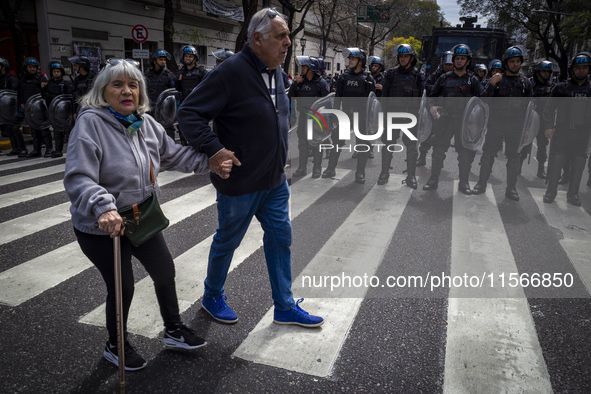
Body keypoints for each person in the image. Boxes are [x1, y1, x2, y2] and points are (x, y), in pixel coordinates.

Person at [63, 59, 231, 371]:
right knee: (123, 286)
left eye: (133, 84)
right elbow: (78, 178)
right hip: (103, 226)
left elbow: (173, 154)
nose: (127, 90)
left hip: (142, 217)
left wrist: (209, 160)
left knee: (164, 271)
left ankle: (174, 330)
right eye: (118, 84)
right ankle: (115, 346)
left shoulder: (146, 125)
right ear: (103, 91)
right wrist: (103, 207)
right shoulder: (90, 125)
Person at [177, 8, 324, 328]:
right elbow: (188, 114)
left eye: (288, 36)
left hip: (273, 180)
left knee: (280, 238)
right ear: (257, 39)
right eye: (281, 36)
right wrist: (214, 150)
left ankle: (284, 305)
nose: (288, 42)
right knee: (227, 240)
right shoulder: (230, 72)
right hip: (240, 181)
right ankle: (212, 295)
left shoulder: (276, 71)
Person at [472, 46, 533, 201]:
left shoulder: (526, 83)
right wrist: (492, 84)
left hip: (516, 126)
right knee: (488, 155)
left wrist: (527, 128)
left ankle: (511, 188)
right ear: (506, 63)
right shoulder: (497, 79)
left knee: (514, 158)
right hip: (496, 124)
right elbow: (484, 99)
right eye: (511, 61)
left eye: (517, 61)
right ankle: (481, 184)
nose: (515, 64)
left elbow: (531, 108)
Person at [423, 44, 481, 194]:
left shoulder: (473, 81)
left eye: (463, 58)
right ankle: (433, 179)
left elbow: (481, 102)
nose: (459, 61)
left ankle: (464, 183)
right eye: (457, 58)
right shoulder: (444, 78)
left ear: (468, 61)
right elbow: (431, 96)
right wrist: (431, 107)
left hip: (464, 123)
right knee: (438, 151)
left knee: (465, 154)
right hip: (445, 121)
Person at [542, 52, 591, 206]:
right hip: (563, 132)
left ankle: (573, 194)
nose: (581, 71)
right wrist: (549, 126)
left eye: (585, 67)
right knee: (556, 163)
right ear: (572, 70)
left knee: (578, 165)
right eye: (578, 68)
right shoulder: (561, 88)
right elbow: (548, 109)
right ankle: (551, 191)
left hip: (583, 133)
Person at [322, 47, 375, 182]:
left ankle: (360, 172)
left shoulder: (368, 79)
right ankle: (330, 168)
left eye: (353, 59)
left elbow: (373, 102)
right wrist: (335, 116)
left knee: (362, 144)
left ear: (361, 61)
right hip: (345, 114)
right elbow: (338, 98)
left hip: (362, 115)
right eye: (349, 59)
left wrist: (372, 120)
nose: (350, 61)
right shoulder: (343, 77)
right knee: (337, 142)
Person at [380, 44, 423, 187]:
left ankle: (411, 176)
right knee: (388, 144)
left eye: (406, 56)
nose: (403, 59)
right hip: (392, 115)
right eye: (401, 56)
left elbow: (423, 99)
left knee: (411, 147)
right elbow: (384, 97)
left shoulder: (418, 76)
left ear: (411, 58)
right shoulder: (391, 74)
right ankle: (384, 172)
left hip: (411, 117)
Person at [289, 56, 329, 178]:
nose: (301, 69)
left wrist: (329, 120)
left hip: (316, 119)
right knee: (302, 143)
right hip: (303, 117)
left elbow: (327, 102)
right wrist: (295, 85)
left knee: (316, 142)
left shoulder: (321, 83)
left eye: (304, 67)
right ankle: (302, 168)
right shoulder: (299, 83)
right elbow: (290, 98)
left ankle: (317, 168)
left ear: (311, 69)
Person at [417, 51, 454, 167]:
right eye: (446, 64)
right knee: (427, 134)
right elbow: (428, 90)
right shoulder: (435, 75)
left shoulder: (458, 76)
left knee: (443, 139)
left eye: (450, 64)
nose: (448, 67)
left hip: (448, 112)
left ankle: (439, 160)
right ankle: (422, 156)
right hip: (433, 110)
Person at [522, 60, 554, 179]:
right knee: (524, 144)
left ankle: (541, 170)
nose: (546, 73)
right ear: (538, 72)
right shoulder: (529, 83)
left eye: (548, 71)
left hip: (543, 120)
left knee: (542, 146)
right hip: (529, 119)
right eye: (543, 71)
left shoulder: (551, 86)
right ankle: (518, 166)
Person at [19, 57, 52, 157]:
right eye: (30, 67)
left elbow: (48, 92)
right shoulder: (23, 80)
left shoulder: (41, 78)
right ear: (26, 68)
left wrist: (45, 86)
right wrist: (21, 102)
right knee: (34, 130)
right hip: (29, 108)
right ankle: (36, 150)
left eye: (33, 67)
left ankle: (49, 149)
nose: (32, 69)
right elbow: (20, 92)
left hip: (40, 108)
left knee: (44, 129)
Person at [176, 45, 208, 145]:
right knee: (182, 128)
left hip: (198, 106)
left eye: (190, 56)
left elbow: (208, 87)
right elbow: (177, 89)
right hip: (184, 105)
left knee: (199, 129)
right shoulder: (181, 71)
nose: (188, 58)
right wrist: (178, 80)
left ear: (195, 58)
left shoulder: (202, 71)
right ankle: (184, 149)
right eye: (186, 56)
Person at [144, 49, 177, 141]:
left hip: (164, 110)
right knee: (150, 132)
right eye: (161, 59)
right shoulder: (147, 74)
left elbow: (175, 92)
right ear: (154, 61)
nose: (163, 62)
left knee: (168, 133)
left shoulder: (169, 75)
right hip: (150, 109)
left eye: (164, 60)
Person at [43, 62, 73, 157]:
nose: (56, 73)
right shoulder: (48, 84)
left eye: (57, 71)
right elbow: (43, 96)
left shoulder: (65, 84)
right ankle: (58, 150)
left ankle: (72, 151)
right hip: (53, 110)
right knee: (57, 131)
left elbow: (69, 97)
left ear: (61, 72)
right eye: (54, 71)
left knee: (69, 132)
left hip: (63, 111)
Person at [0, 57, 27, 157]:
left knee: (15, 128)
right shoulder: (1, 79)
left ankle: (23, 148)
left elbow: (15, 95)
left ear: (3, 67)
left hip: (14, 109)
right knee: (8, 128)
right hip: (4, 111)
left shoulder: (11, 79)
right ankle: (15, 148)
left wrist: (17, 109)